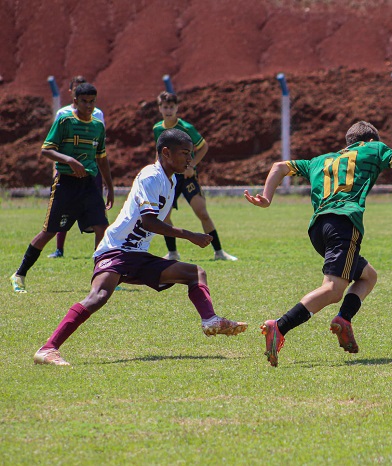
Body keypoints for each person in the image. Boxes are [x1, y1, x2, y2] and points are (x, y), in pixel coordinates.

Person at [33, 129, 248, 366]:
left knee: (195, 273)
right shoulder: (150, 176)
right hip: (115, 249)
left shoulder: (172, 180)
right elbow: (148, 221)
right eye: (185, 153)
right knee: (99, 296)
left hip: (137, 255)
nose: (189, 159)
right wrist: (189, 236)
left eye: (191, 154)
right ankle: (48, 348)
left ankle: (210, 319)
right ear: (166, 153)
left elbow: (159, 220)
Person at [245, 121, 392, 367]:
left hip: (318, 229)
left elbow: (279, 166)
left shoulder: (318, 160)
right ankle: (279, 326)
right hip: (344, 224)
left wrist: (267, 198)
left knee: (368, 276)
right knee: (333, 289)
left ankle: (344, 319)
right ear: (371, 140)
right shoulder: (375, 149)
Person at [10, 83, 114, 293]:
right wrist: (70, 160)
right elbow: (46, 149)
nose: (88, 105)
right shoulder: (64, 121)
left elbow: (102, 158)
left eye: (92, 101)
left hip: (89, 185)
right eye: (84, 101)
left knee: (102, 228)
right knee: (49, 232)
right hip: (66, 183)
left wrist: (109, 186)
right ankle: (19, 274)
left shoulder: (97, 126)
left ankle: (100, 278)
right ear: (75, 101)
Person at [153, 91, 237, 261]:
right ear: (159, 108)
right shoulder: (157, 128)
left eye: (171, 106)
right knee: (165, 216)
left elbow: (203, 147)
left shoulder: (186, 127)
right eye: (165, 107)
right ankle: (173, 253)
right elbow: (159, 152)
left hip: (187, 177)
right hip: (169, 178)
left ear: (177, 108)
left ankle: (219, 252)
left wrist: (191, 165)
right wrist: (156, 171)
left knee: (202, 212)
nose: (168, 110)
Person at [48, 75, 107, 259]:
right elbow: (52, 146)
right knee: (59, 218)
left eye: (91, 100)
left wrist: (105, 180)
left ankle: (100, 262)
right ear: (73, 94)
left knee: (100, 221)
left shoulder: (97, 116)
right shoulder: (63, 115)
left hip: (90, 171)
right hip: (67, 174)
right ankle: (59, 249)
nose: (88, 104)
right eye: (78, 90)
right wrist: (58, 167)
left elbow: (99, 146)